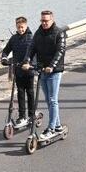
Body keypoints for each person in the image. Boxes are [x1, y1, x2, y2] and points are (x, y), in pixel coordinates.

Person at [21, 10, 66, 140]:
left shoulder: (59, 33)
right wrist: (27, 60)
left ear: (52, 20)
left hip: (54, 71)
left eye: (46, 20)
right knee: (48, 100)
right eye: (42, 20)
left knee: (52, 100)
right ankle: (57, 126)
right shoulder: (38, 33)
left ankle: (51, 128)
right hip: (42, 70)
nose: (44, 23)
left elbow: (60, 51)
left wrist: (52, 66)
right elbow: (31, 48)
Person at [1, 16, 35, 128]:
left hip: (28, 71)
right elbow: (6, 50)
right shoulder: (14, 39)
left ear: (26, 26)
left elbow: (35, 53)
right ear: (16, 26)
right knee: (20, 93)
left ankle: (31, 114)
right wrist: (4, 58)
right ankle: (22, 116)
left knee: (30, 92)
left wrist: (31, 65)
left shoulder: (31, 38)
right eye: (18, 27)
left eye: (22, 27)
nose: (20, 29)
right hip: (18, 70)